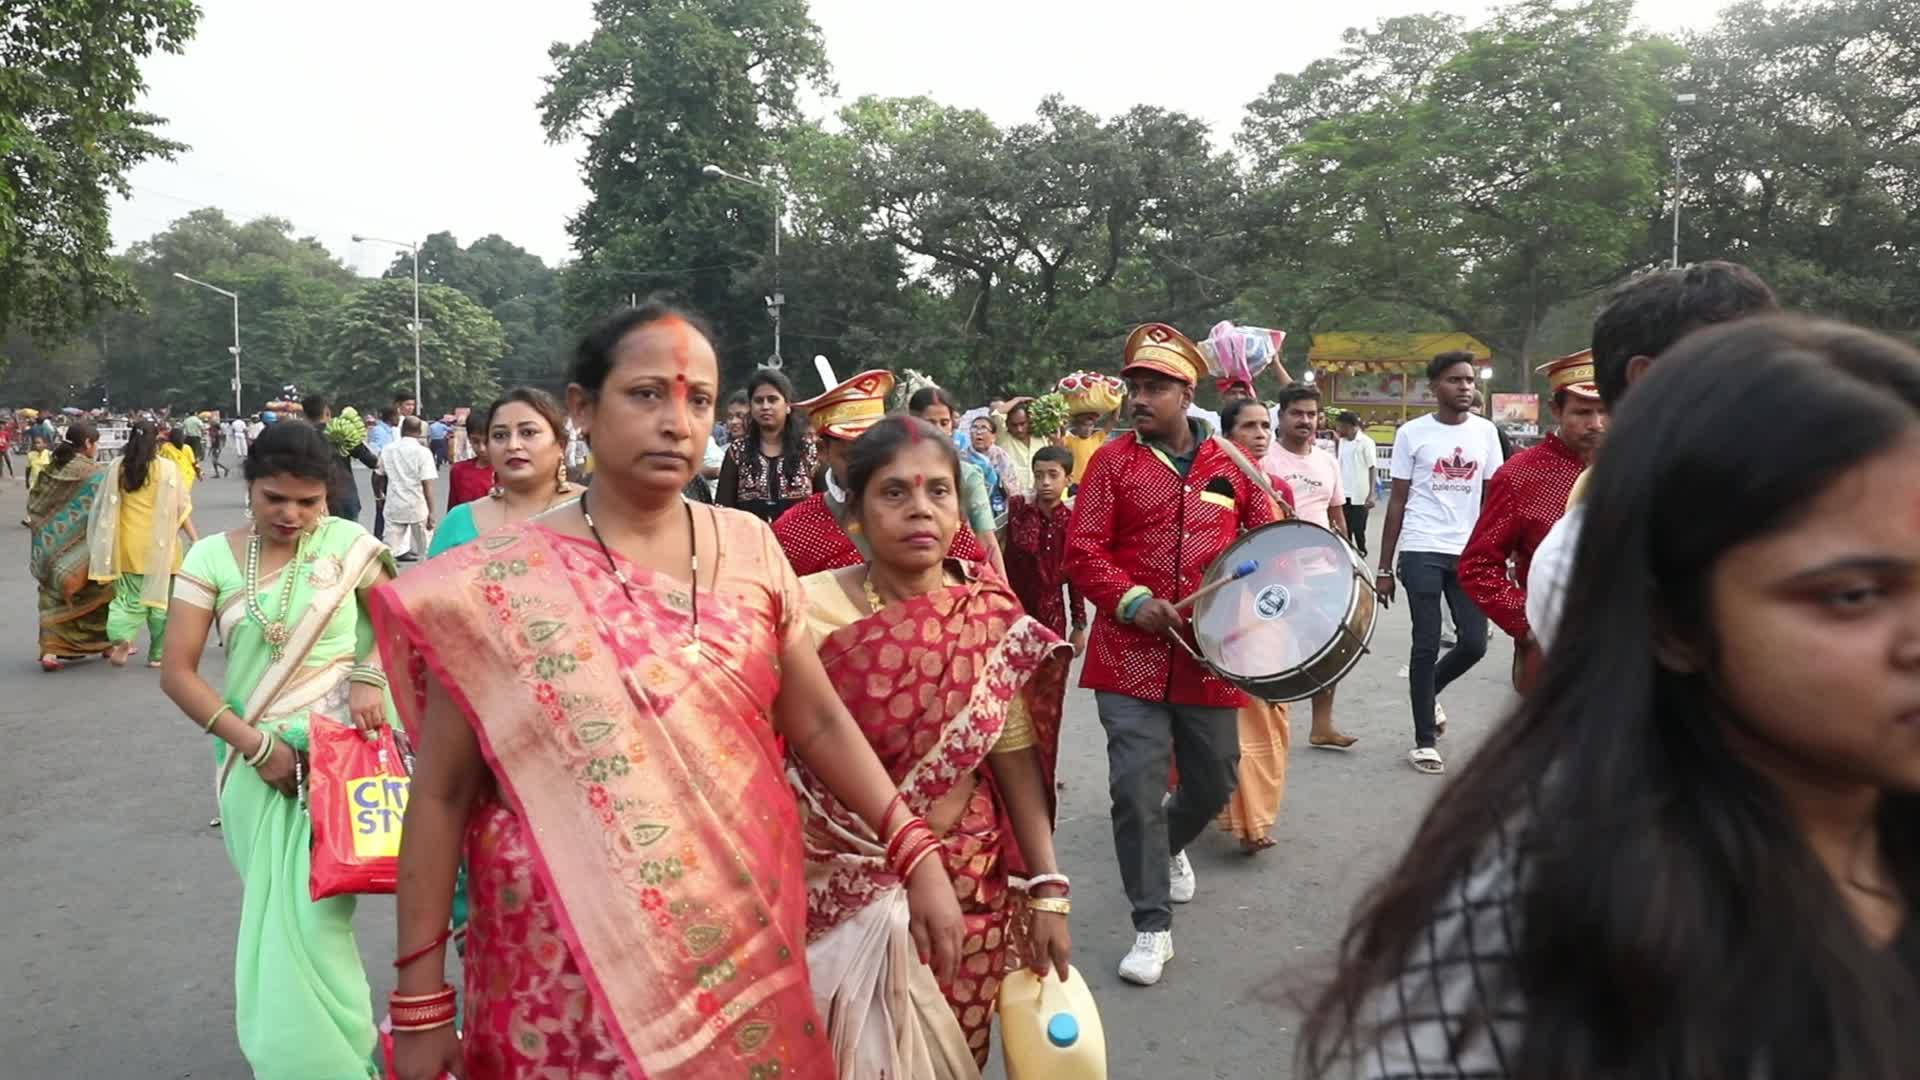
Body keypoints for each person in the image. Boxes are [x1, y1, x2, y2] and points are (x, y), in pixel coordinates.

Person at [1301, 316, 1920, 1079]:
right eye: (1855, 595)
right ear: (1673, 620)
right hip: (1498, 617)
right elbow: (1481, 557)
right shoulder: (1556, 904)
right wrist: (1520, 628)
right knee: (1435, 648)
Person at [374, 302, 966, 1080]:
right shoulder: (498, 583)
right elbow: (443, 795)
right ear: (583, 409)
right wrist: (421, 998)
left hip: (735, 946)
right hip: (556, 976)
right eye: (647, 394)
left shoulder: (751, 547)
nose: (677, 422)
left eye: (698, 401)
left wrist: (914, 851)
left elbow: (817, 720)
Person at [791, 416, 1073, 1074]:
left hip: (967, 880)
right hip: (834, 879)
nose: (920, 508)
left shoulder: (987, 617)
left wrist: (1048, 887)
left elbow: (1012, 756)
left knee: (953, 1053)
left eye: (938, 492)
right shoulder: (805, 610)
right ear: (855, 513)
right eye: (894, 492)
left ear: (959, 509)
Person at [159, 419, 396, 1079]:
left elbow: (396, 624)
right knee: (276, 920)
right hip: (252, 767)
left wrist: (369, 672)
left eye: (308, 501)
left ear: (329, 496)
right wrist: (258, 748)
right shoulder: (209, 558)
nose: (291, 515)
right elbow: (177, 672)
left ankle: (334, 1063)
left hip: (339, 760)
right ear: (250, 488)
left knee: (319, 922)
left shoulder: (351, 546)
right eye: (275, 499)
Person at [1064, 322, 1278, 986]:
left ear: (1186, 393)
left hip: (1212, 655)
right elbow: (1082, 550)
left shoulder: (1234, 466)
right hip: (1128, 655)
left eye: (1154, 388)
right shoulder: (1110, 463)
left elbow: (1272, 541)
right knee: (1134, 788)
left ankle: (1166, 844)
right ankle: (1151, 926)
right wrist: (1130, 601)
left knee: (1215, 779)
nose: (1139, 399)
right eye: (1134, 387)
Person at [1527, 261, 1780, 654]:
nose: (1775, 381)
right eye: (1743, 361)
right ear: (1651, 378)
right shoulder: (1582, 561)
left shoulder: (1802, 492)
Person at [1373, 351, 1506, 775]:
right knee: (1426, 642)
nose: (1465, 387)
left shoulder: (1487, 433)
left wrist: (1496, 554)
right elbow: (1396, 502)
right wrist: (1384, 567)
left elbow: (1492, 500)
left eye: (1469, 380)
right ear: (1434, 388)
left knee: (1473, 642)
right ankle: (1424, 741)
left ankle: (1428, 691)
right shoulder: (1413, 434)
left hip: (1467, 552)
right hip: (1421, 547)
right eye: (1455, 380)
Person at [1458, 351, 1606, 693]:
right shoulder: (1519, 475)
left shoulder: (1640, 467)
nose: (1596, 423)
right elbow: (1478, 565)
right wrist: (1527, 623)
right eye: (1582, 412)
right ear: (1555, 411)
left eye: (1604, 410)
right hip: (1550, 657)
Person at [772, 370, 989, 575]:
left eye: (879, 458)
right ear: (822, 451)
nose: (866, 469)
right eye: (851, 457)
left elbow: (979, 586)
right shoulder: (794, 531)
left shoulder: (931, 514)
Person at [1211, 398, 1301, 853]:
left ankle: (1254, 815)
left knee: (1272, 713)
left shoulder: (1278, 485)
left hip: (1273, 611)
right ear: (1228, 433)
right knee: (1244, 718)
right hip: (1233, 612)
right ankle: (1251, 825)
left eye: (1266, 425)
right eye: (1249, 426)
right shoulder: (1217, 481)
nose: (1261, 433)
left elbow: (1285, 549)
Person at [1262, 385, 1358, 749]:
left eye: (1311, 414)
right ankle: (1269, 726)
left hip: (1324, 568)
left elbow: (1336, 514)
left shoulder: (1327, 460)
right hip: (1277, 570)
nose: (1305, 420)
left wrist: (1348, 557)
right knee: (1276, 649)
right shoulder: (1265, 459)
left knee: (1329, 646)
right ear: (1281, 417)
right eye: (1297, 413)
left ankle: (1322, 726)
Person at [1002, 443, 1089, 794]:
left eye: (1053, 475)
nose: (1045, 483)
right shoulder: (1018, 510)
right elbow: (1002, 556)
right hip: (1015, 617)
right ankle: (1014, 767)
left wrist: (1080, 625)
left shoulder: (1072, 522)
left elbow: (1077, 577)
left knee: (1048, 698)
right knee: (1013, 694)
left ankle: (1045, 767)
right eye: (1039, 475)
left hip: (1053, 620)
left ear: (1068, 479)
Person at [87, 419, 195, 669]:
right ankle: (157, 655)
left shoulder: (117, 467)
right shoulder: (167, 469)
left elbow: (105, 506)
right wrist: (195, 538)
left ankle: (122, 638)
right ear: (156, 440)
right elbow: (181, 509)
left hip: (127, 546)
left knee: (126, 599)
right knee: (160, 604)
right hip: (161, 545)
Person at [428, 388, 579, 556]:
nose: (512, 445)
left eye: (528, 432)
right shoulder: (458, 521)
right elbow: (426, 581)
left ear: (561, 445)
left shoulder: (596, 513)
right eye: (500, 435)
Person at [29, 420, 112, 671]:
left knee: (52, 597)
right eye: (95, 443)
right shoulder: (94, 473)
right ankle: (104, 645)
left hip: (50, 544)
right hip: (84, 550)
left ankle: (50, 653)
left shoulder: (52, 467)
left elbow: (35, 503)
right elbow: (106, 509)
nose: (95, 448)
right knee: (98, 593)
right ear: (87, 443)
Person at [910, 386, 1007, 579]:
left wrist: (1005, 588)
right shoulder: (897, 472)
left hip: (958, 574)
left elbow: (986, 536)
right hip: (908, 570)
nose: (938, 431)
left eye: (944, 423)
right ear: (912, 423)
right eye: (930, 423)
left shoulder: (967, 475)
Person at [716, 367, 816, 524]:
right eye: (758, 400)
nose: (765, 406)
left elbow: (825, 507)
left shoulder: (809, 450)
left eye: (773, 399)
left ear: (788, 405)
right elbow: (722, 509)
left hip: (802, 545)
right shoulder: (737, 452)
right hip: (749, 544)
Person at [302, 394, 381, 524]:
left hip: (312, 499)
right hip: (344, 498)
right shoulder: (343, 432)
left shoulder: (301, 436)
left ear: (305, 414)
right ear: (327, 411)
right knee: (348, 541)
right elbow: (372, 462)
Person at [379, 416, 436, 560]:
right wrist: (432, 512)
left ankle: (387, 578)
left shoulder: (388, 449)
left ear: (402, 429)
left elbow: (377, 475)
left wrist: (378, 495)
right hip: (417, 506)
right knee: (427, 550)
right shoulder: (423, 452)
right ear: (419, 431)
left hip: (394, 505)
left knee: (389, 551)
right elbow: (427, 484)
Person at [1334, 411, 1377, 556]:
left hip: (1360, 494)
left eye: (1341, 427)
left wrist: (1371, 494)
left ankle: (1361, 554)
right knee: (1345, 528)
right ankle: (1349, 556)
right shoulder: (1342, 442)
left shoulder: (1366, 442)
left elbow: (1372, 467)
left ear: (1350, 426)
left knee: (1359, 529)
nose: (1338, 430)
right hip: (1343, 492)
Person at [443, 409, 495, 512]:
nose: (481, 448)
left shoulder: (508, 472)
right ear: (469, 439)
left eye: (487, 441)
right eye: (475, 441)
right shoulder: (459, 470)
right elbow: (453, 510)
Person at [968, 413, 1021, 510]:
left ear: (993, 436)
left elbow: (1012, 484)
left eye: (983, 428)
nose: (978, 432)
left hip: (998, 505)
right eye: (974, 428)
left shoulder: (1001, 456)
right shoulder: (963, 456)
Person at [992, 397, 1046, 494]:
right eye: (1014, 425)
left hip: (1040, 495)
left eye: (1022, 424)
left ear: (1029, 421)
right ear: (1007, 424)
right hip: (1012, 497)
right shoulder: (1003, 437)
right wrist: (1018, 399)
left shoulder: (1041, 438)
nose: (1019, 429)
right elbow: (997, 415)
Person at [368, 406, 399, 538]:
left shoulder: (390, 431)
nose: (399, 419)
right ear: (391, 417)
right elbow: (374, 450)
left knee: (388, 510)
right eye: (397, 416)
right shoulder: (379, 431)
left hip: (389, 474)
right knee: (382, 509)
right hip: (381, 475)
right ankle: (379, 538)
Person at [158, 426, 200, 500]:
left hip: (171, 478)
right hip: (186, 478)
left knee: (171, 499)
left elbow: (160, 460)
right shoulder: (187, 448)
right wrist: (199, 473)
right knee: (182, 499)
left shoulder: (165, 447)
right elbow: (194, 463)